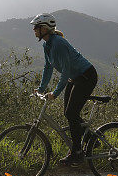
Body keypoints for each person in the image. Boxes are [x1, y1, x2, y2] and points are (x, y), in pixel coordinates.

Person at [31, 12, 98, 165]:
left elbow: (65, 71)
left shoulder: (59, 44)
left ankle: (77, 152)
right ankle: (92, 140)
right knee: (69, 113)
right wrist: (41, 88)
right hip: (74, 78)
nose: (34, 29)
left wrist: (55, 93)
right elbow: (48, 67)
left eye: (36, 27)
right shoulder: (47, 44)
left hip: (86, 76)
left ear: (45, 28)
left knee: (71, 112)